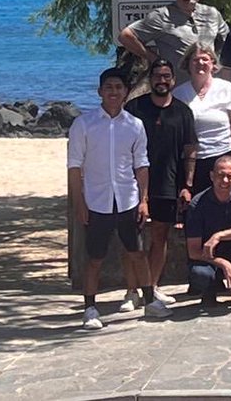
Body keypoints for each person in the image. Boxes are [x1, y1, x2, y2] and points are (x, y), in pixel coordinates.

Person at [68, 68, 172, 329]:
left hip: (127, 199)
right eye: (109, 87)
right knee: (94, 258)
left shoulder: (134, 125)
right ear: (100, 91)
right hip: (96, 200)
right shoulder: (84, 124)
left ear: (126, 92)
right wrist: (79, 204)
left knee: (136, 252)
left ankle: (149, 300)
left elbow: (142, 165)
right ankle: (90, 308)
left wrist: (144, 199)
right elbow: (75, 167)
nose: (114, 92)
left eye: (119, 87)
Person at [124, 57, 197, 305]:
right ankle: (131, 291)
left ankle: (152, 288)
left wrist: (187, 185)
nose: (162, 80)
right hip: (133, 184)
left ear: (173, 80)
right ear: (150, 79)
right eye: (157, 76)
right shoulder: (134, 108)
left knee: (160, 237)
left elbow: (190, 151)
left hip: (168, 183)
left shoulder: (183, 112)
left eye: (166, 76)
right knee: (133, 238)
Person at [119, 0, 229, 83]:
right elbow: (126, 36)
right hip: (177, 90)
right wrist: (154, 59)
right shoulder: (161, 16)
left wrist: (216, 60)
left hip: (208, 89)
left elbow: (228, 40)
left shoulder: (212, 14)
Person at [184, 155, 231, 314]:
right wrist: (224, 264)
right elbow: (194, 251)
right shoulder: (197, 204)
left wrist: (218, 236)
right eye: (220, 175)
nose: (225, 180)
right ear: (212, 176)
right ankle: (210, 291)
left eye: (230, 176)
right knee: (199, 274)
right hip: (209, 255)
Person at [172, 42, 231, 195]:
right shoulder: (178, 94)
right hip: (192, 164)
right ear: (188, 64)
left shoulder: (226, 88)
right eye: (195, 60)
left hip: (223, 158)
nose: (200, 63)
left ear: (213, 63)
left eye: (205, 59)